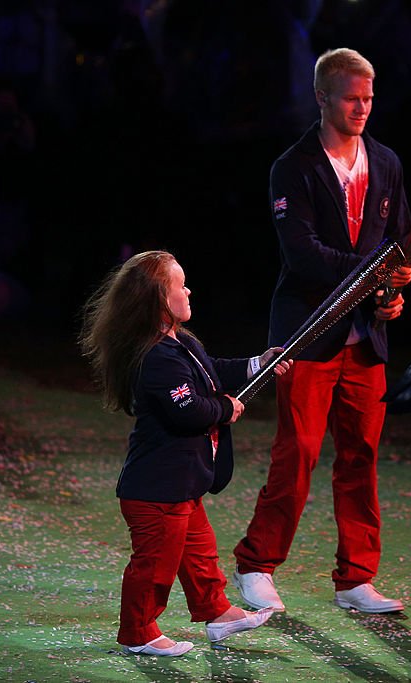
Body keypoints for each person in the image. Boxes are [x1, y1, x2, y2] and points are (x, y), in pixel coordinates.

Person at [232, 48, 411, 614]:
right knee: (299, 452)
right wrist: (373, 275)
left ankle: (356, 579)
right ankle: (255, 564)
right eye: (351, 98)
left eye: (369, 98)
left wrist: (393, 292)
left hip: (366, 341)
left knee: (361, 456)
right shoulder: (293, 167)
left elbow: (400, 243)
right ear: (322, 98)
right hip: (307, 334)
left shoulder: (385, 162)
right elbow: (304, 255)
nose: (363, 108)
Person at [80, 250, 290, 656]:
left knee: (199, 554)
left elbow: (212, 371)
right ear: (160, 299)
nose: (189, 289)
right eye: (181, 285)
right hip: (156, 489)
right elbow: (188, 409)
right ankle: (138, 633)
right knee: (155, 565)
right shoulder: (156, 356)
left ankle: (218, 614)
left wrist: (257, 365)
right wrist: (226, 409)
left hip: (182, 484)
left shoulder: (181, 343)